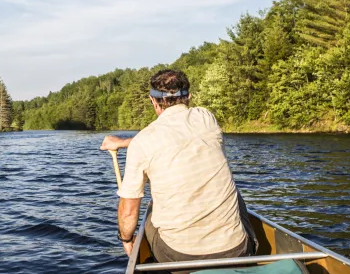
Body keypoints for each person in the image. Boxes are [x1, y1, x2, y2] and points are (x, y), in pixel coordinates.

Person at [101, 69, 256, 262]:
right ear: (189, 97)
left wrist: (125, 238)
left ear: (153, 101)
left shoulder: (143, 142)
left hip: (180, 257)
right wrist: (124, 142)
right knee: (235, 194)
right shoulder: (206, 118)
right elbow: (175, 137)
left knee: (152, 209)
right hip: (237, 250)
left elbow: (129, 212)